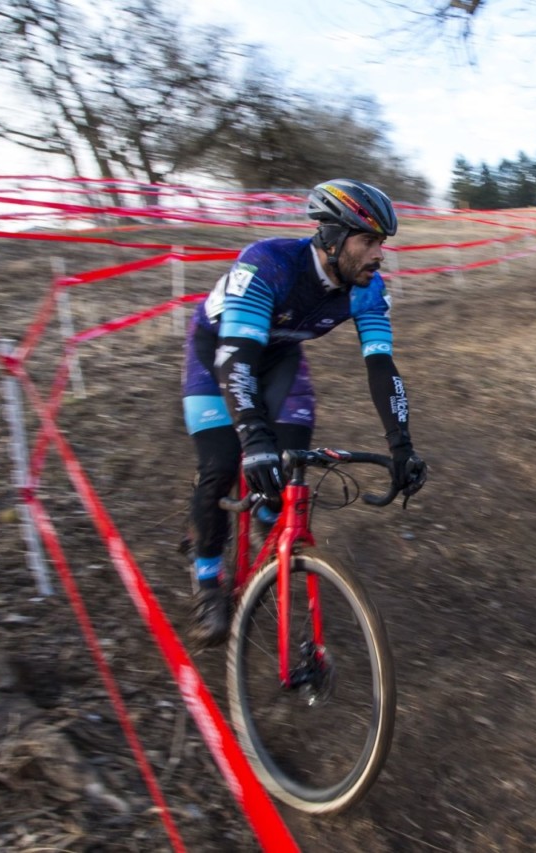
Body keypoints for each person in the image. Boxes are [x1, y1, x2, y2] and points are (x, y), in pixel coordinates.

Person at [180, 178, 427, 645]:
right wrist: (252, 437)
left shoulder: (366, 288)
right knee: (221, 465)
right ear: (332, 238)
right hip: (219, 354)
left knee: (289, 464)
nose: (380, 255)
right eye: (369, 241)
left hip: (280, 358)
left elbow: (381, 367)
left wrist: (402, 445)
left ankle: (268, 531)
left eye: (383, 244)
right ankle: (209, 581)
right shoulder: (271, 263)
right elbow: (237, 359)